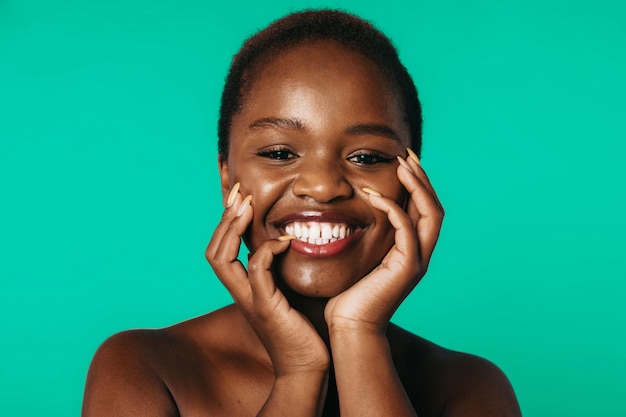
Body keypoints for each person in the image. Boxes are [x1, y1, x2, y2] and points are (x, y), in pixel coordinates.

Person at [82, 9, 521, 417]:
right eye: (278, 152)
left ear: (413, 184)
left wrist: (358, 333)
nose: (322, 186)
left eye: (366, 157)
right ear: (226, 178)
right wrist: (299, 372)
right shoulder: (143, 368)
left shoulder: (471, 386)